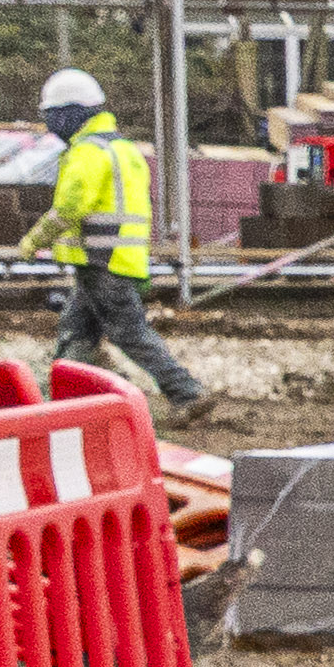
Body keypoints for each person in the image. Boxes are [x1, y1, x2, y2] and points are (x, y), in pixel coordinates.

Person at [39, 66, 214, 416]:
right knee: (76, 332)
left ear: (71, 114)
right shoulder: (124, 149)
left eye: (52, 116)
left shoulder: (88, 153)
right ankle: (63, 407)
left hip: (103, 262)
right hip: (114, 259)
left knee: (128, 332)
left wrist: (34, 240)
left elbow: (71, 207)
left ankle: (187, 393)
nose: (49, 125)